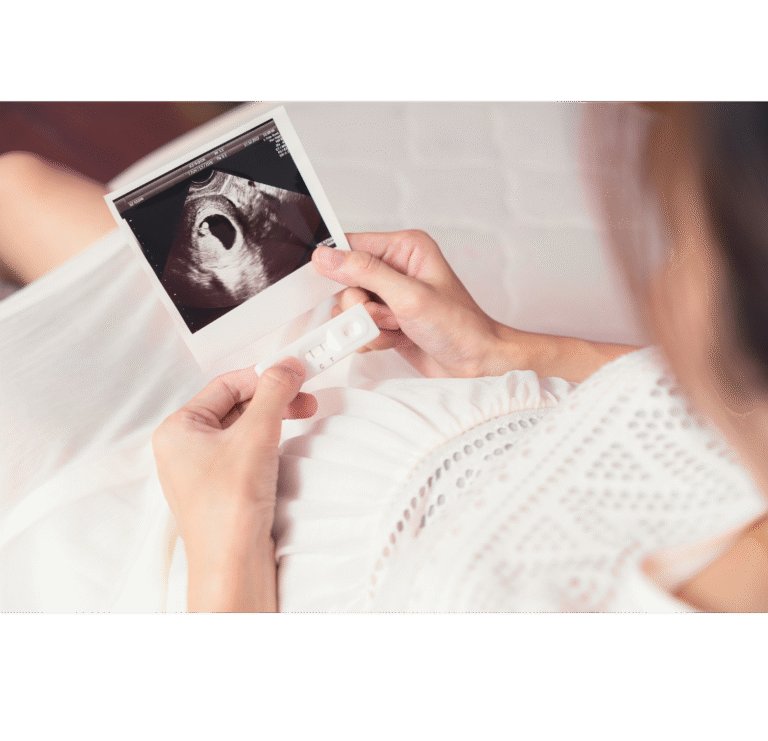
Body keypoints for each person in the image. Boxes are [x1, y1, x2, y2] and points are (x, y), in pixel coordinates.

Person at [2, 101, 767, 613]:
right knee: (21, 188)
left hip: (211, 554)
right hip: (370, 397)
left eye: (683, 245)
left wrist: (224, 537)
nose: (663, 275)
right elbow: (685, 410)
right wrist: (504, 350)